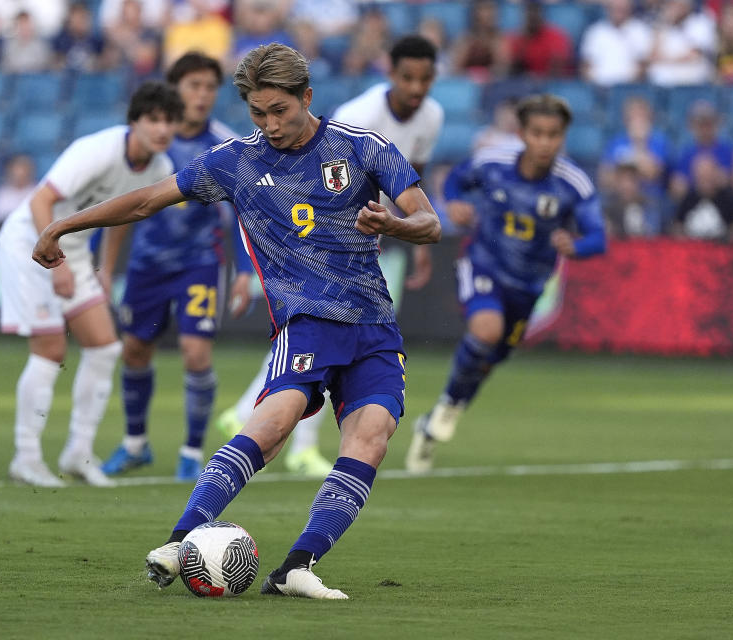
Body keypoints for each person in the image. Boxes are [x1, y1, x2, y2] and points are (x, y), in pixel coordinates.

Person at [32, 43, 441, 599]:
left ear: (307, 98)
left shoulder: (365, 149)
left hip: (374, 326)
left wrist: (393, 225)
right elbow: (149, 199)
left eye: (280, 110)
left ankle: (296, 567)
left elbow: (429, 221)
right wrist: (64, 226)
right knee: (274, 423)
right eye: (257, 112)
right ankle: (180, 543)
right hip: (305, 321)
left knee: (372, 437)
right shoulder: (235, 161)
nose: (269, 124)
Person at [214, 35, 443, 478]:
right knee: (322, 328)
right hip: (317, 223)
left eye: (425, 79)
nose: (416, 88)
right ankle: (294, 441)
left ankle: (249, 407)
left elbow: (416, 178)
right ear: (389, 74)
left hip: (370, 225)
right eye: (407, 77)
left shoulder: (432, 116)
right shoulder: (360, 117)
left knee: (321, 333)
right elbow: (317, 165)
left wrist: (405, 229)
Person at [0, 81, 182, 488]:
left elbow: (124, 215)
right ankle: (25, 457)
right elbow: (39, 201)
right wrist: (56, 264)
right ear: (135, 121)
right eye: (153, 119)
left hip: (74, 251)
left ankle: (78, 452)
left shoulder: (160, 168)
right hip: (30, 241)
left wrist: (105, 268)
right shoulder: (97, 150)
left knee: (105, 346)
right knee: (51, 348)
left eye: (169, 121)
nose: (162, 129)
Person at [405, 94, 606, 473]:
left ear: (563, 137)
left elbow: (599, 237)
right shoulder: (493, 162)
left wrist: (577, 246)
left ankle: (437, 419)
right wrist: (454, 203)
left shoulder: (573, 184)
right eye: (538, 133)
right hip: (484, 264)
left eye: (553, 135)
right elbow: (455, 182)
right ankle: (447, 409)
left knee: (489, 360)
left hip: (529, 287)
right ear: (522, 133)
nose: (545, 143)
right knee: (486, 330)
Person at [99, 52, 252, 482]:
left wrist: (243, 271)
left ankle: (190, 452)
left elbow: (243, 212)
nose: (202, 96)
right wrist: (104, 266)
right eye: (193, 86)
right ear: (174, 89)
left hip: (199, 264)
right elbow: (119, 203)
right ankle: (135, 445)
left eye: (209, 87)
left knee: (196, 352)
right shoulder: (147, 141)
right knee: (135, 351)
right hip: (147, 264)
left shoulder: (226, 146)